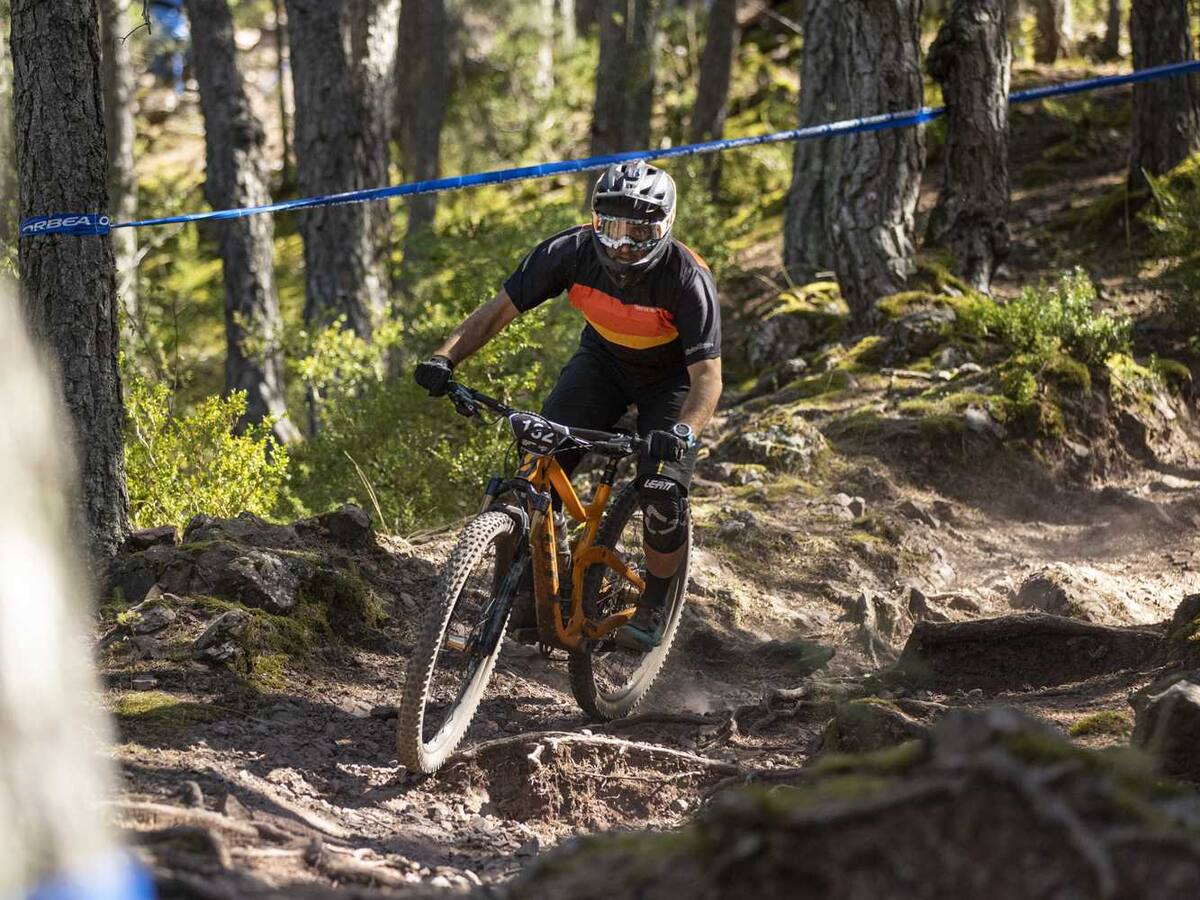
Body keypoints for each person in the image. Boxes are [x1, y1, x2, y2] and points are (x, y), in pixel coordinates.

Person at [414, 160, 723, 652]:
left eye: (638, 232)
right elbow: (497, 311)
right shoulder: (569, 251)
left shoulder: (687, 278)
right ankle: (525, 606)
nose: (622, 244)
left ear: (664, 227)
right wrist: (444, 358)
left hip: (670, 381)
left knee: (663, 491)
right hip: (601, 361)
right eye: (611, 228)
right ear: (595, 220)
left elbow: (707, 376)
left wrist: (684, 432)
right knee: (535, 468)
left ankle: (658, 600)